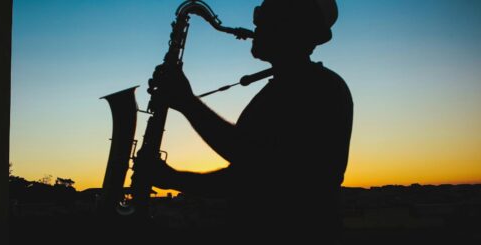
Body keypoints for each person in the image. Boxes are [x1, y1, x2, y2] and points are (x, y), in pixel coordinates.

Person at [150, 0, 353, 242]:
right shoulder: (290, 87)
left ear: (290, 29)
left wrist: (186, 102)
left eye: (265, 17)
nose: (255, 24)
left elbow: (252, 160)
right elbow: (247, 174)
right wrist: (172, 178)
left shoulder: (318, 89)